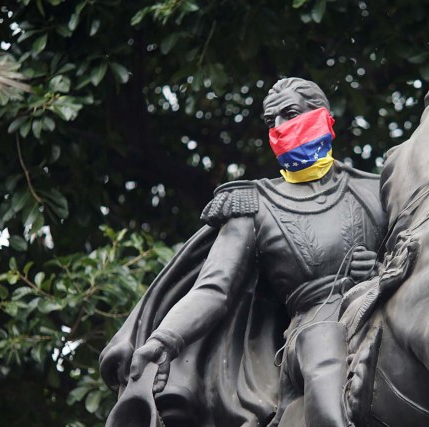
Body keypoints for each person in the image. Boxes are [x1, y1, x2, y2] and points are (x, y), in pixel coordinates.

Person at [100, 77, 386, 427]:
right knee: (322, 346)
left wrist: (380, 266)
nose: (279, 128)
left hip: (379, 303)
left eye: (289, 114)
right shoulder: (251, 204)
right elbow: (213, 289)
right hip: (313, 327)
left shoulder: (373, 190)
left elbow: (415, 247)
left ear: (324, 118)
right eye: (271, 122)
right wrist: (164, 339)